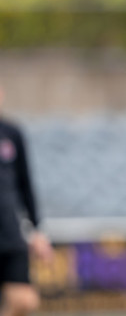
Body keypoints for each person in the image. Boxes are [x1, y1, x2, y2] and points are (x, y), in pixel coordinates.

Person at [0, 85, 53, 316]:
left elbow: (25, 185)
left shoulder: (11, 133)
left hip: (10, 234)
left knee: (26, 300)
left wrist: (37, 230)